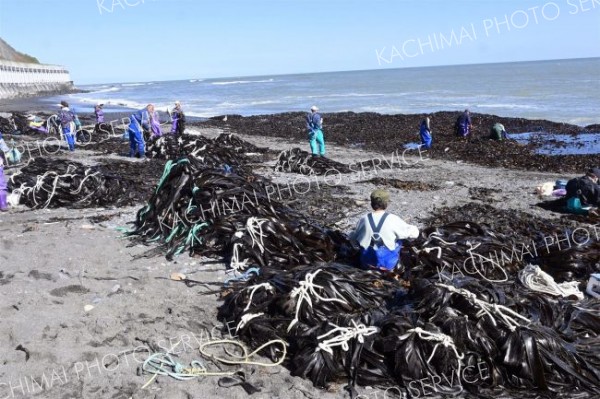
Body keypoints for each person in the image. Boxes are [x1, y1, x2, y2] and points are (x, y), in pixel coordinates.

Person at [350, 189, 419, 271]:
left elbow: (353, 238)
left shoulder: (363, 219)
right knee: (400, 240)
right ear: (386, 204)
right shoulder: (393, 219)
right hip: (388, 264)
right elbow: (415, 234)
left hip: (366, 263)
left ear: (372, 204)